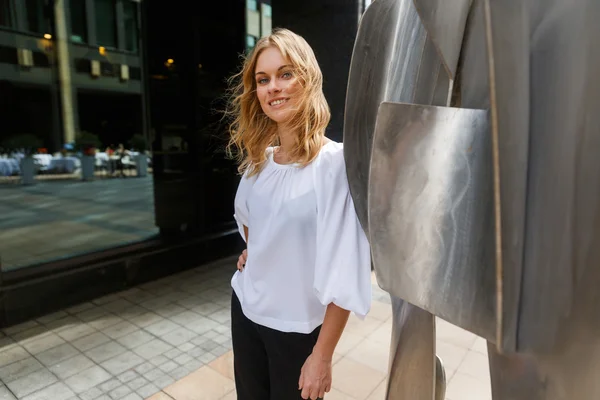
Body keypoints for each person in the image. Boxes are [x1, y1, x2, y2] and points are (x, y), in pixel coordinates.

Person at [226, 28, 372, 400]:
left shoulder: (335, 165)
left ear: (307, 79)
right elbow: (248, 222)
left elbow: (346, 267)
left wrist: (322, 357)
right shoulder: (259, 165)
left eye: (285, 74)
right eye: (263, 79)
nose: (273, 86)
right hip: (246, 312)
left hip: (299, 330)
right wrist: (257, 251)